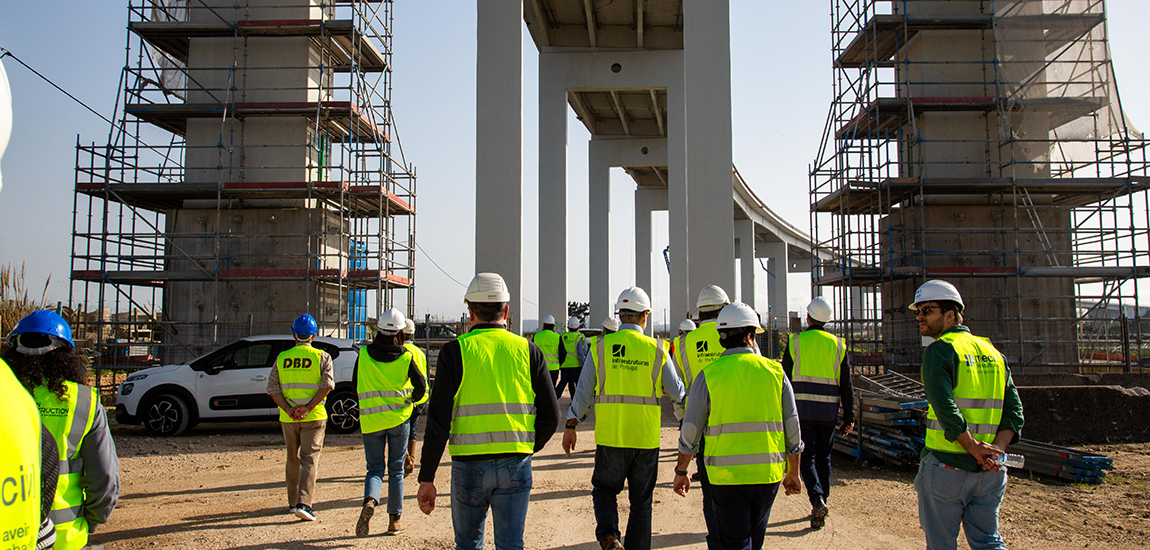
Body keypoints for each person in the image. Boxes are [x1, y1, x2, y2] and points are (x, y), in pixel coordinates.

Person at [417, 272, 561, 550]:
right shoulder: (528, 351)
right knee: (511, 545)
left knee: (468, 545)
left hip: (468, 466)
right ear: (506, 310)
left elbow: (438, 423)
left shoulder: (454, 352)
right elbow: (552, 416)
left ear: (470, 311)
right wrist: (526, 448)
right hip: (515, 463)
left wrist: (428, 477)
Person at [672, 302, 804, 550]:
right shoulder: (775, 373)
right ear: (749, 336)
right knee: (755, 539)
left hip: (725, 478)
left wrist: (682, 471)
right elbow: (792, 427)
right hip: (767, 475)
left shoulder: (709, 376)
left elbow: (690, 431)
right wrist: (793, 472)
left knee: (735, 542)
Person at [563, 286, 686, 550]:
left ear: (620, 315)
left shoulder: (600, 348)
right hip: (646, 438)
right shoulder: (657, 350)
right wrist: (686, 422)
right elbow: (678, 394)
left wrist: (571, 425)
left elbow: (582, 394)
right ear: (645, 317)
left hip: (611, 436)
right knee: (641, 503)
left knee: (605, 490)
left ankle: (609, 537)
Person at [909, 280, 1024, 550]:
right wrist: (996, 450)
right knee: (988, 542)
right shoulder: (993, 353)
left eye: (927, 310)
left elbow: (944, 407)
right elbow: (1014, 410)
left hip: (947, 468)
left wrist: (973, 447)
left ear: (950, 315)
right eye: (918, 311)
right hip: (991, 471)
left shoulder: (940, 350)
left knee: (941, 545)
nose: (919, 317)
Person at [5, 310, 120, 549]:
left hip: (8, 537)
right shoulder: (83, 402)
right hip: (65, 538)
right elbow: (105, 479)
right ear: (66, 355)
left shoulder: (6, 398)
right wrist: (90, 522)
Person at [781, 296, 855, 529]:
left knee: (807, 458)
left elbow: (783, 380)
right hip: (828, 412)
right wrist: (849, 416)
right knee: (824, 458)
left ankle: (817, 499)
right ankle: (824, 498)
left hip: (802, 412)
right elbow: (847, 385)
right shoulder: (838, 345)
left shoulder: (795, 342)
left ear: (808, 317)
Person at [355, 309, 427, 537]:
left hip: (371, 422)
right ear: (400, 332)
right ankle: (394, 521)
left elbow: (356, 382)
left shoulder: (364, 355)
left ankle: (370, 500)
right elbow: (422, 387)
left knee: (374, 469)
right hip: (399, 421)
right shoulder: (407, 356)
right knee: (396, 470)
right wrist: (411, 402)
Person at [267, 313, 334, 522]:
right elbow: (328, 386)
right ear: (313, 336)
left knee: (292, 459)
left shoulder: (282, 358)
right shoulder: (322, 357)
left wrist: (289, 409)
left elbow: (272, 389)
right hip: (314, 416)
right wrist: (307, 407)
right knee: (309, 459)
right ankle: (305, 504)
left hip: (289, 419)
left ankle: (292, 503)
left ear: (294, 334)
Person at [401, 318, 430, 477]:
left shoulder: (398, 351)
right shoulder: (420, 352)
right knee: (412, 430)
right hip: (420, 398)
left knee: (399, 431)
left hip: (402, 398)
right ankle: (411, 459)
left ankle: (405, 459)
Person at [555, 316, 587, 399]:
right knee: (578, 384)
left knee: (565, 383)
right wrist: (583, 364)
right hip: (575, 365)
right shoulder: (579, 337)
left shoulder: (563, 336)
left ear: (568, 326)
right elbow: (581, 352)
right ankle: (577, 401)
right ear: (578, 326)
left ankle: (554, 399)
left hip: (565, 365)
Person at [533, 315, 561, 385]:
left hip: (539, 368)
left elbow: (532, 353)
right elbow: (563, 354)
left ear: (543, 326)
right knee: (551, 389)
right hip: (554, 369)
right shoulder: (557, 337)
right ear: (553, 326)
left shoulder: (536, 337)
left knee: (540, 390)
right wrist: (559, 364)